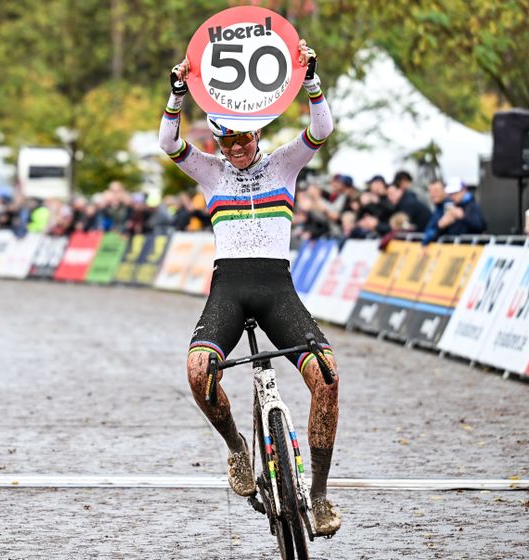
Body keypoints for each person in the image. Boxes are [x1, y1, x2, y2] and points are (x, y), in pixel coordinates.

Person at [159, 40, 341, 537]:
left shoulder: (283, 163)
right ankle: (238, 449)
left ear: (257, 133)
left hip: (277, 288)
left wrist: (311, 80)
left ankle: (320, 495)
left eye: (243, 140)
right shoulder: (211, 172)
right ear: (218, 143)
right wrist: (177, 94)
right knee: (198, 371)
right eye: (227, 143)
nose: (236, 149)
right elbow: (170, 145)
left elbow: (321, 129)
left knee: (327, 379)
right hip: (229, 291)